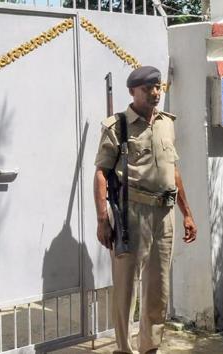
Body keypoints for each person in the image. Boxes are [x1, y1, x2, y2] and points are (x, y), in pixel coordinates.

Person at [93, 66, 198, 354]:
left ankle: (151, 346)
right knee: (127, 285)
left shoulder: (166, 123)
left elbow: (173, 170)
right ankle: (125, 349)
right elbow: (101, 173)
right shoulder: (118, 126)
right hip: (132, 213)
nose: (155, 92)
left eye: (157, 87)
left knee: (158, 285)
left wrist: (187, 213)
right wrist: (103, 218)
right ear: (133, 92)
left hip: (164, 214)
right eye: (148, 88)